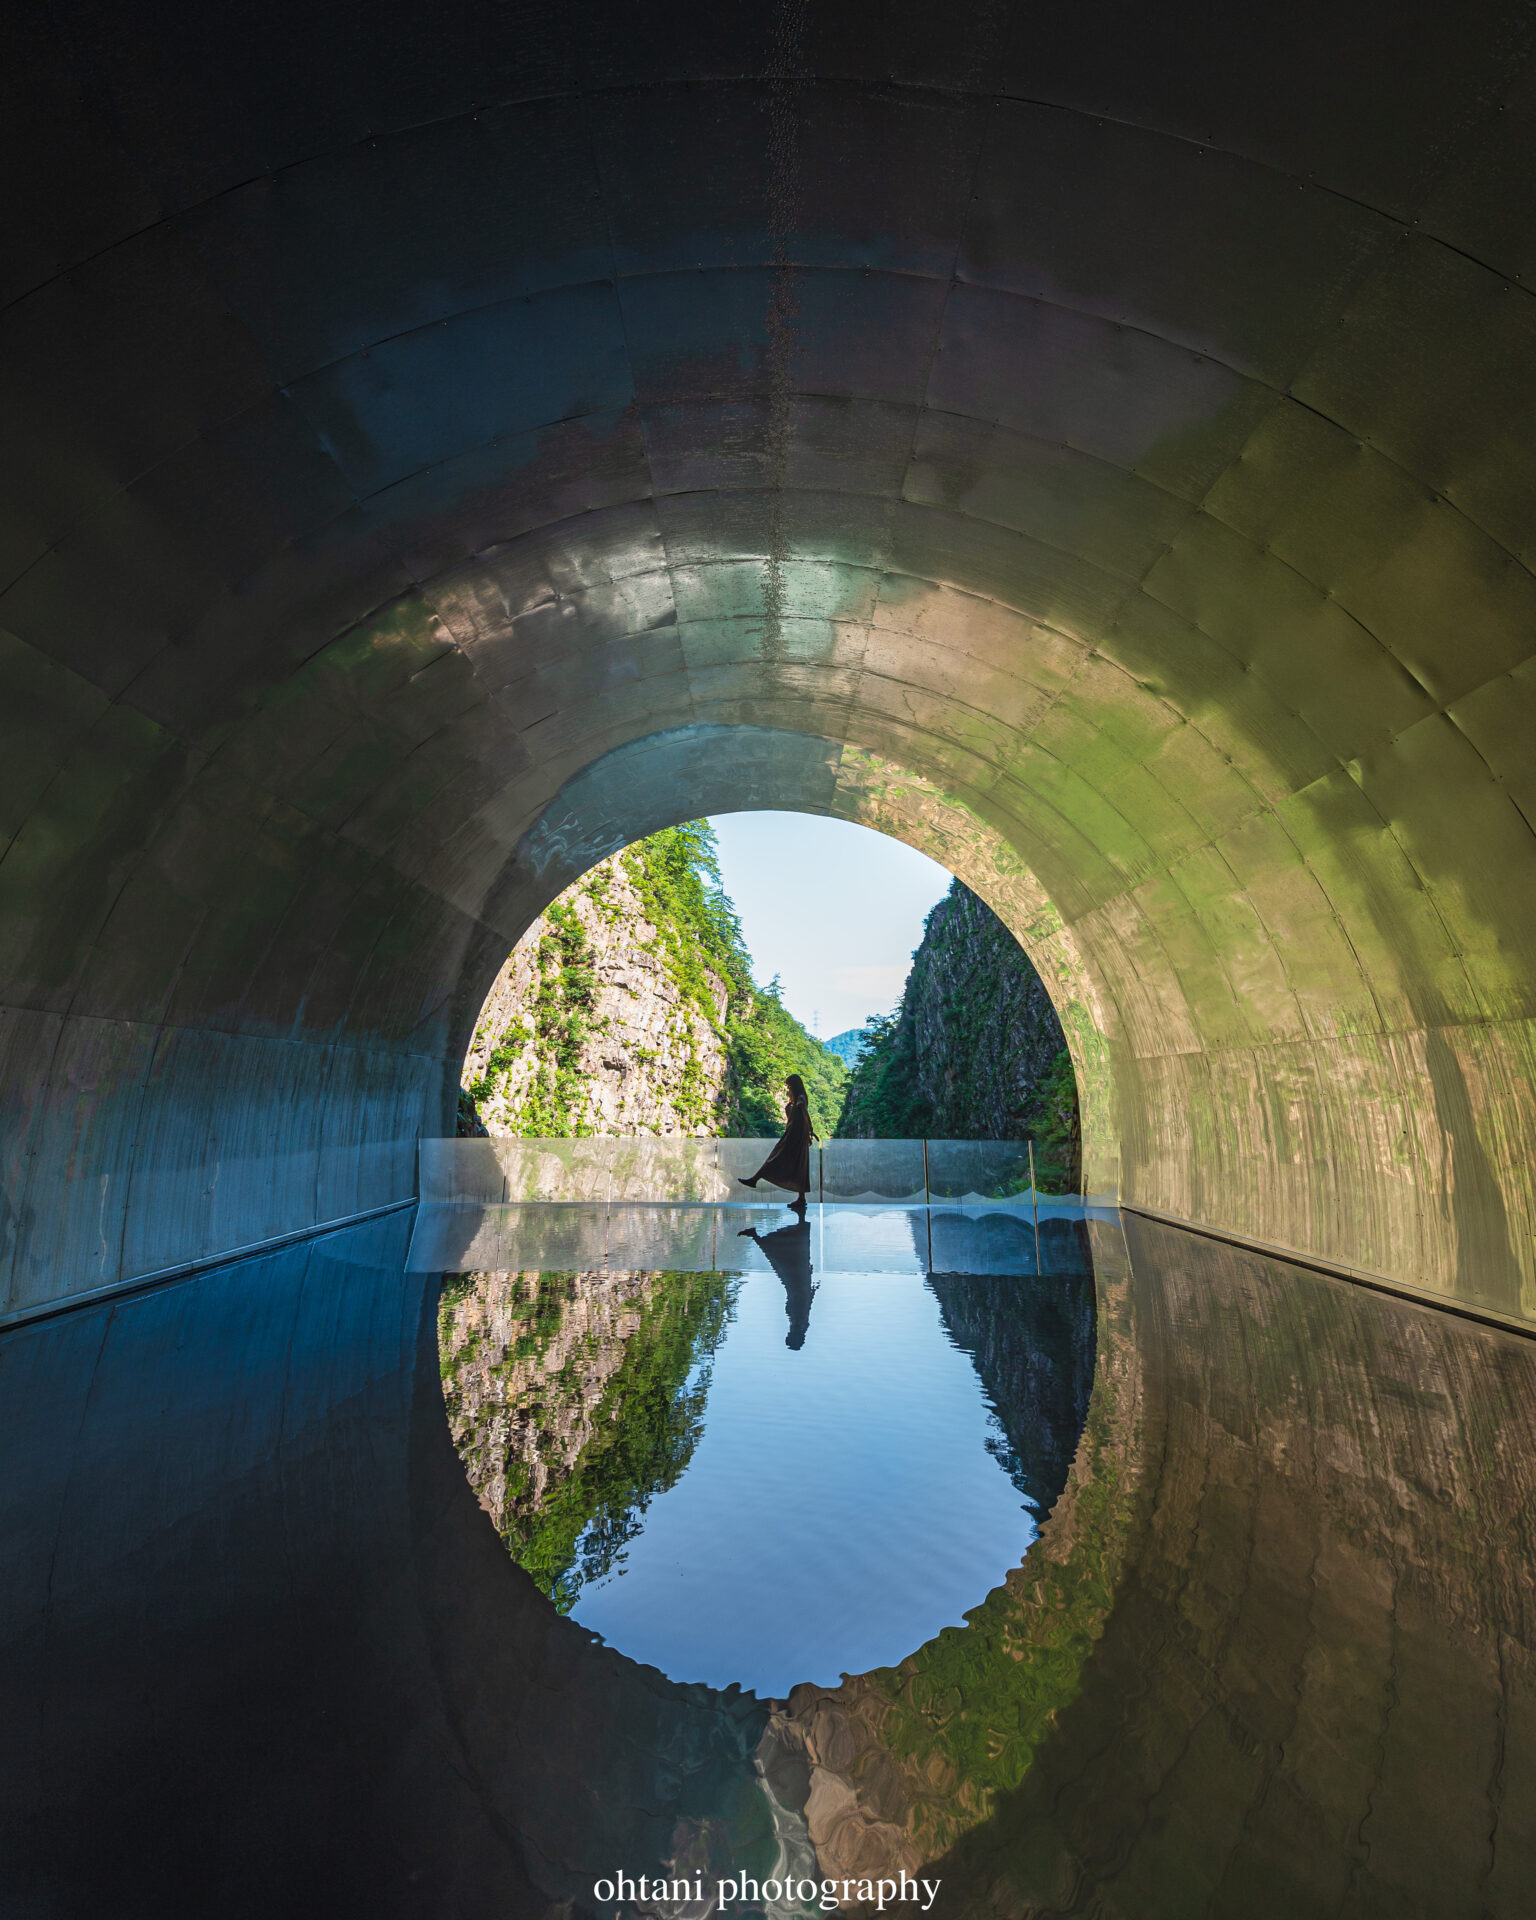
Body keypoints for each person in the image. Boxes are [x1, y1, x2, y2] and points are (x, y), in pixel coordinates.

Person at [737, 1073, 818, 1208]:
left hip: (795, 1136)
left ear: (795, 1086)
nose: (788, 1089)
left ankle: (755, 1179)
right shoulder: (798, 1099)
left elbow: (804, 1115)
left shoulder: (801, 1099)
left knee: (777, 1158)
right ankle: (801, 1198)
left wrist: (810, 1131)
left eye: (789, 1086)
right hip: (794, 1135)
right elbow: (796, 1118)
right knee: (798, 1165)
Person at [738, 1215, 816, 1348]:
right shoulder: (799, 1322)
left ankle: (756, 1236)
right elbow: (803, 1300)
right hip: (796, 1280)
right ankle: (756, 1235)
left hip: (797, 1281)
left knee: (778, 1258)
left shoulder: (800, 1323)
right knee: (778, 1258)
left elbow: (806, 1301)